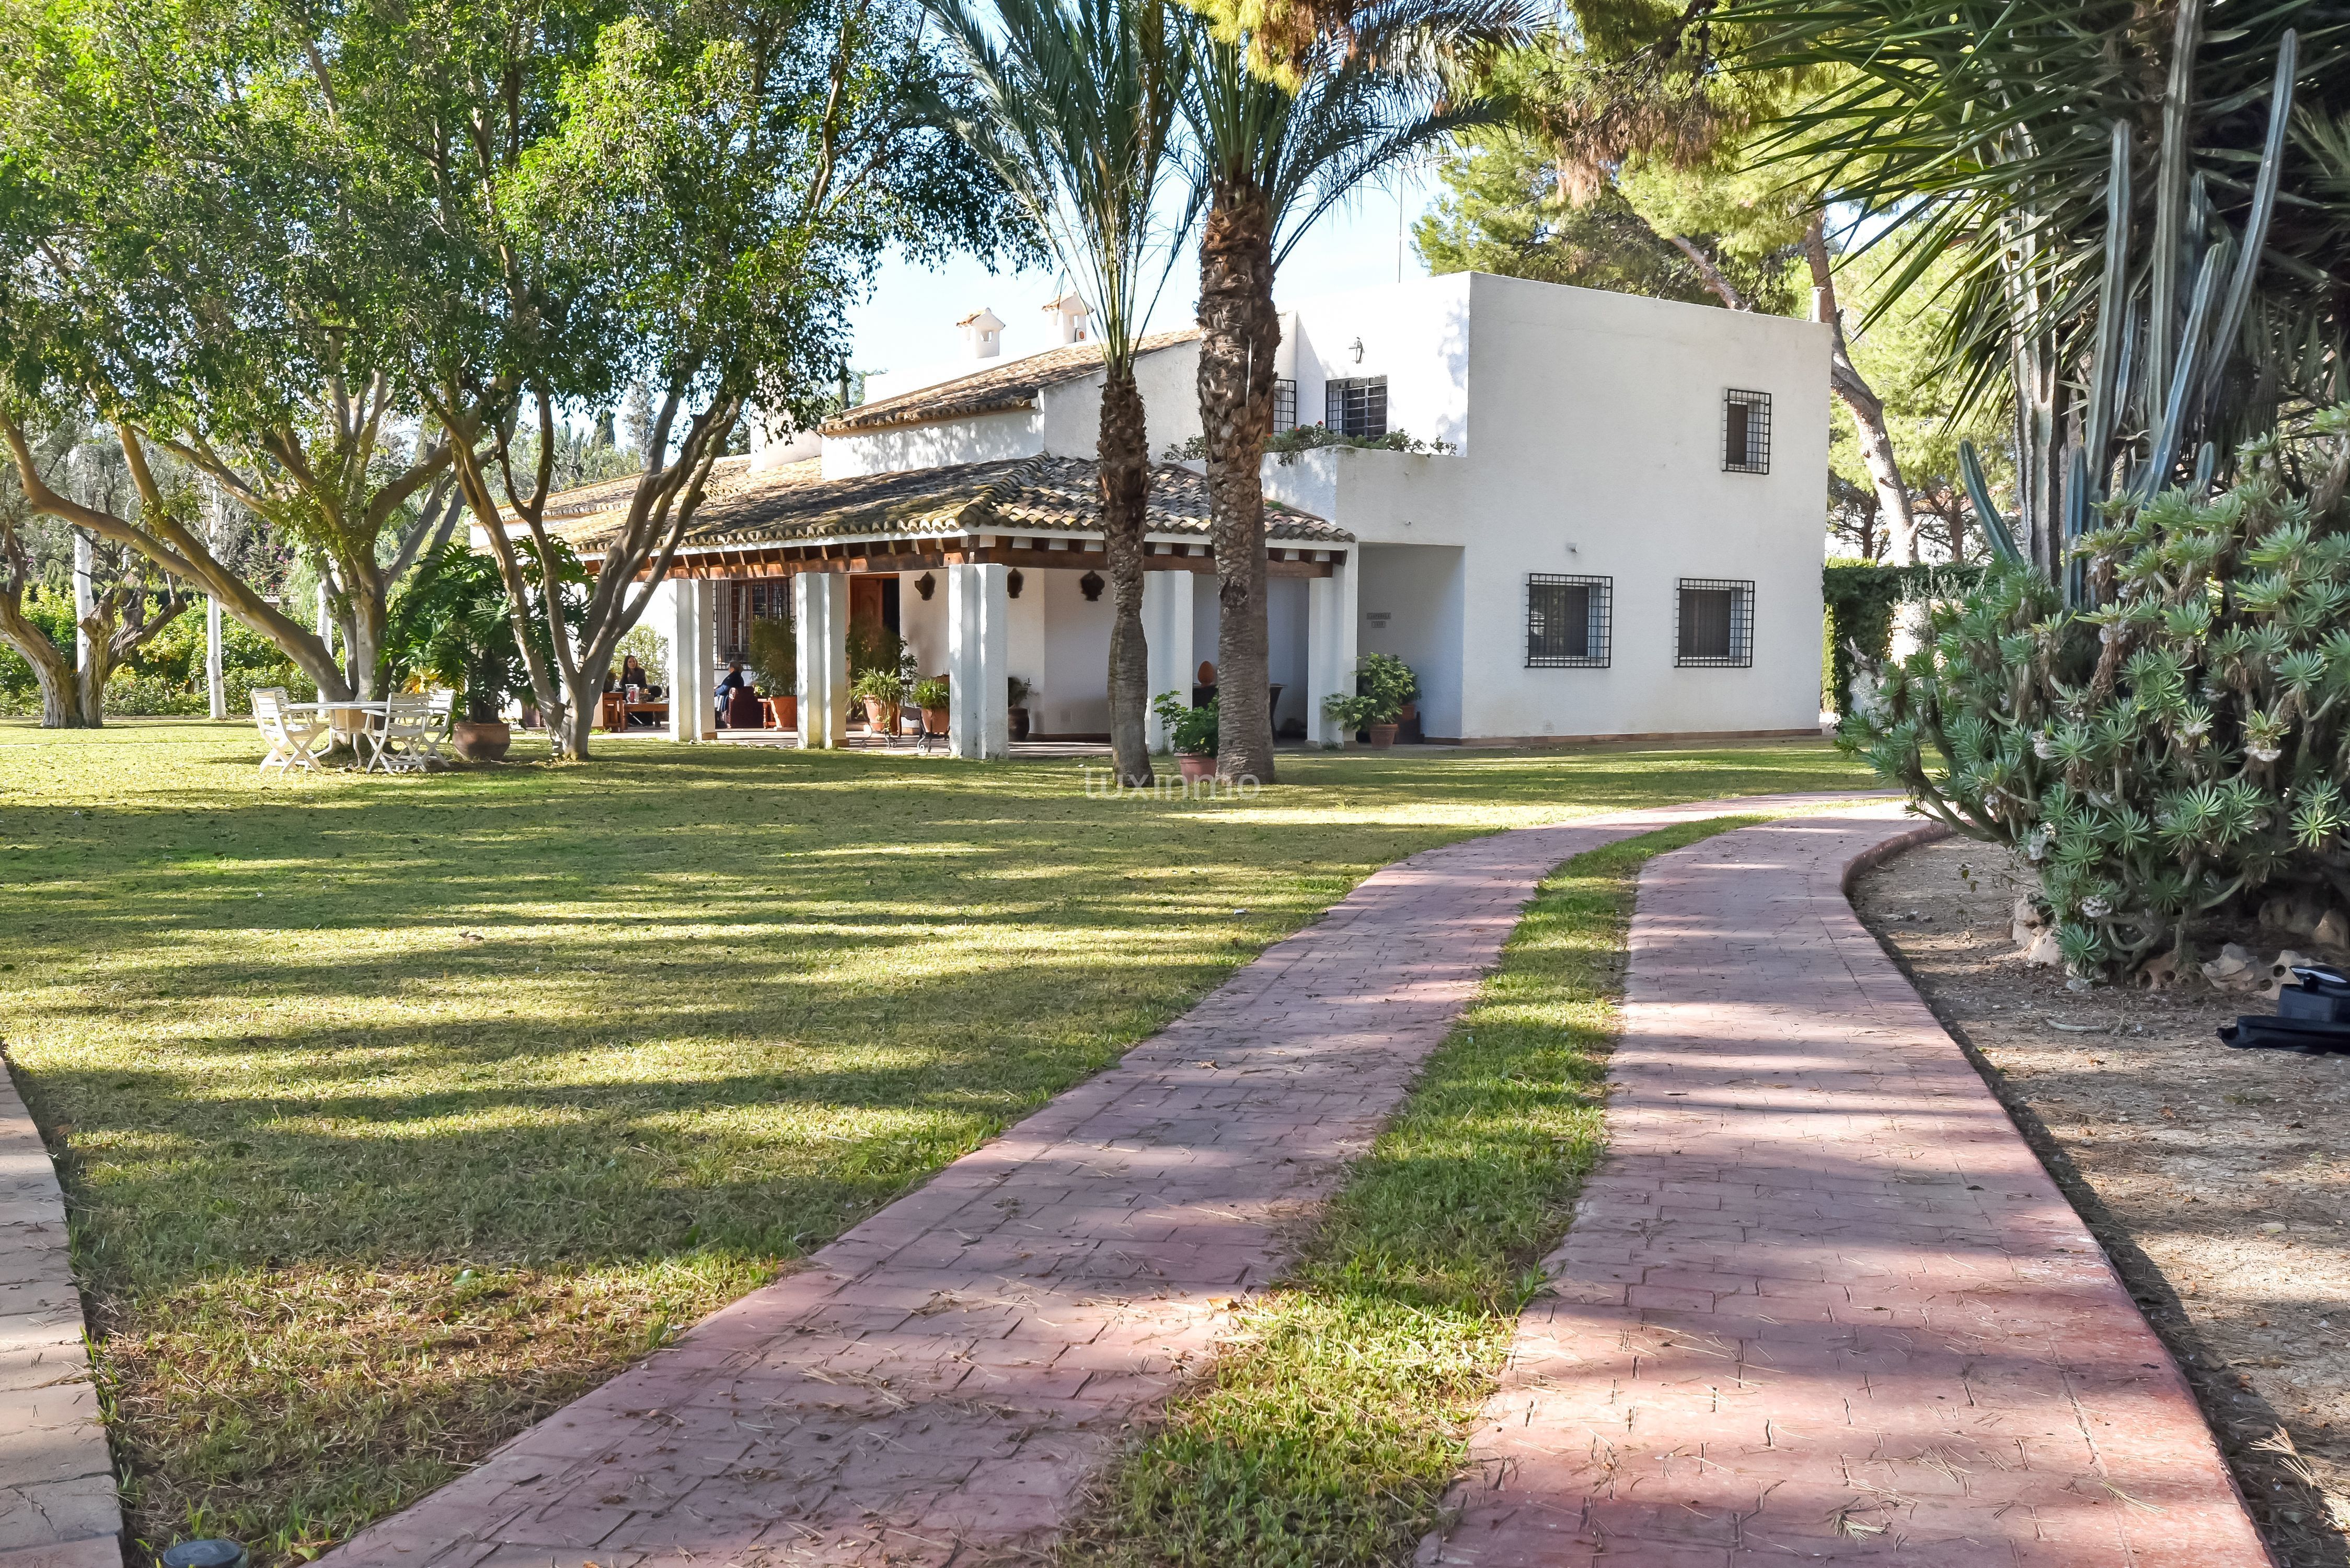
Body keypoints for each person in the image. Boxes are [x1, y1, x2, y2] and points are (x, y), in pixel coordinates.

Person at [715, 659, 752, 725]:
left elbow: (725, 688)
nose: (728, 669)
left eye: (729, 667)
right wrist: (718, 687)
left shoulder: (732, 678)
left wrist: (716, 691)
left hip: (727, 697)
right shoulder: (739, 677)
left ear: (733, 668)